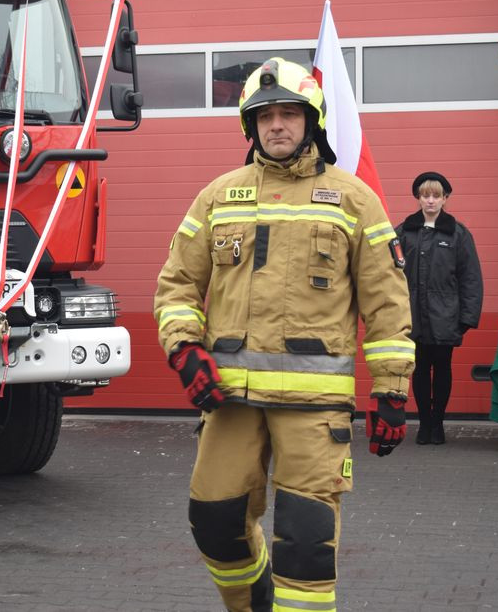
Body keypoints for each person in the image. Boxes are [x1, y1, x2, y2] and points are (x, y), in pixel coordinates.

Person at [153, 57, 415, 612]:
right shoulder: (218, 196)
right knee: (215, 524)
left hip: (313, 409)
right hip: (228, 401)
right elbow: (176, 284)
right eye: (264, 115)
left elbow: (387, 302)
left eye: (289, 114)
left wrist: (392, 390)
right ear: (250, 126)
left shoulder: (353, 199)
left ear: (311, 121)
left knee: (305, 542)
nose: (276, 124)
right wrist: (184, 349)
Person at [395, 172, 482, 445]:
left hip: (445, 316)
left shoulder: (458, 234)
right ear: (418, 198)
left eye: (436, 195)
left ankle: (438, 423)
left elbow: (471, 278)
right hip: (413, 316)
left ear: (445, 199)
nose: (430, 200)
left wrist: (467, 318)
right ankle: (423, 423)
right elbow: (389, 274)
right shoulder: (404, 232)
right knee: (419, 369)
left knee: (442, 368)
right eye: (425, 195)